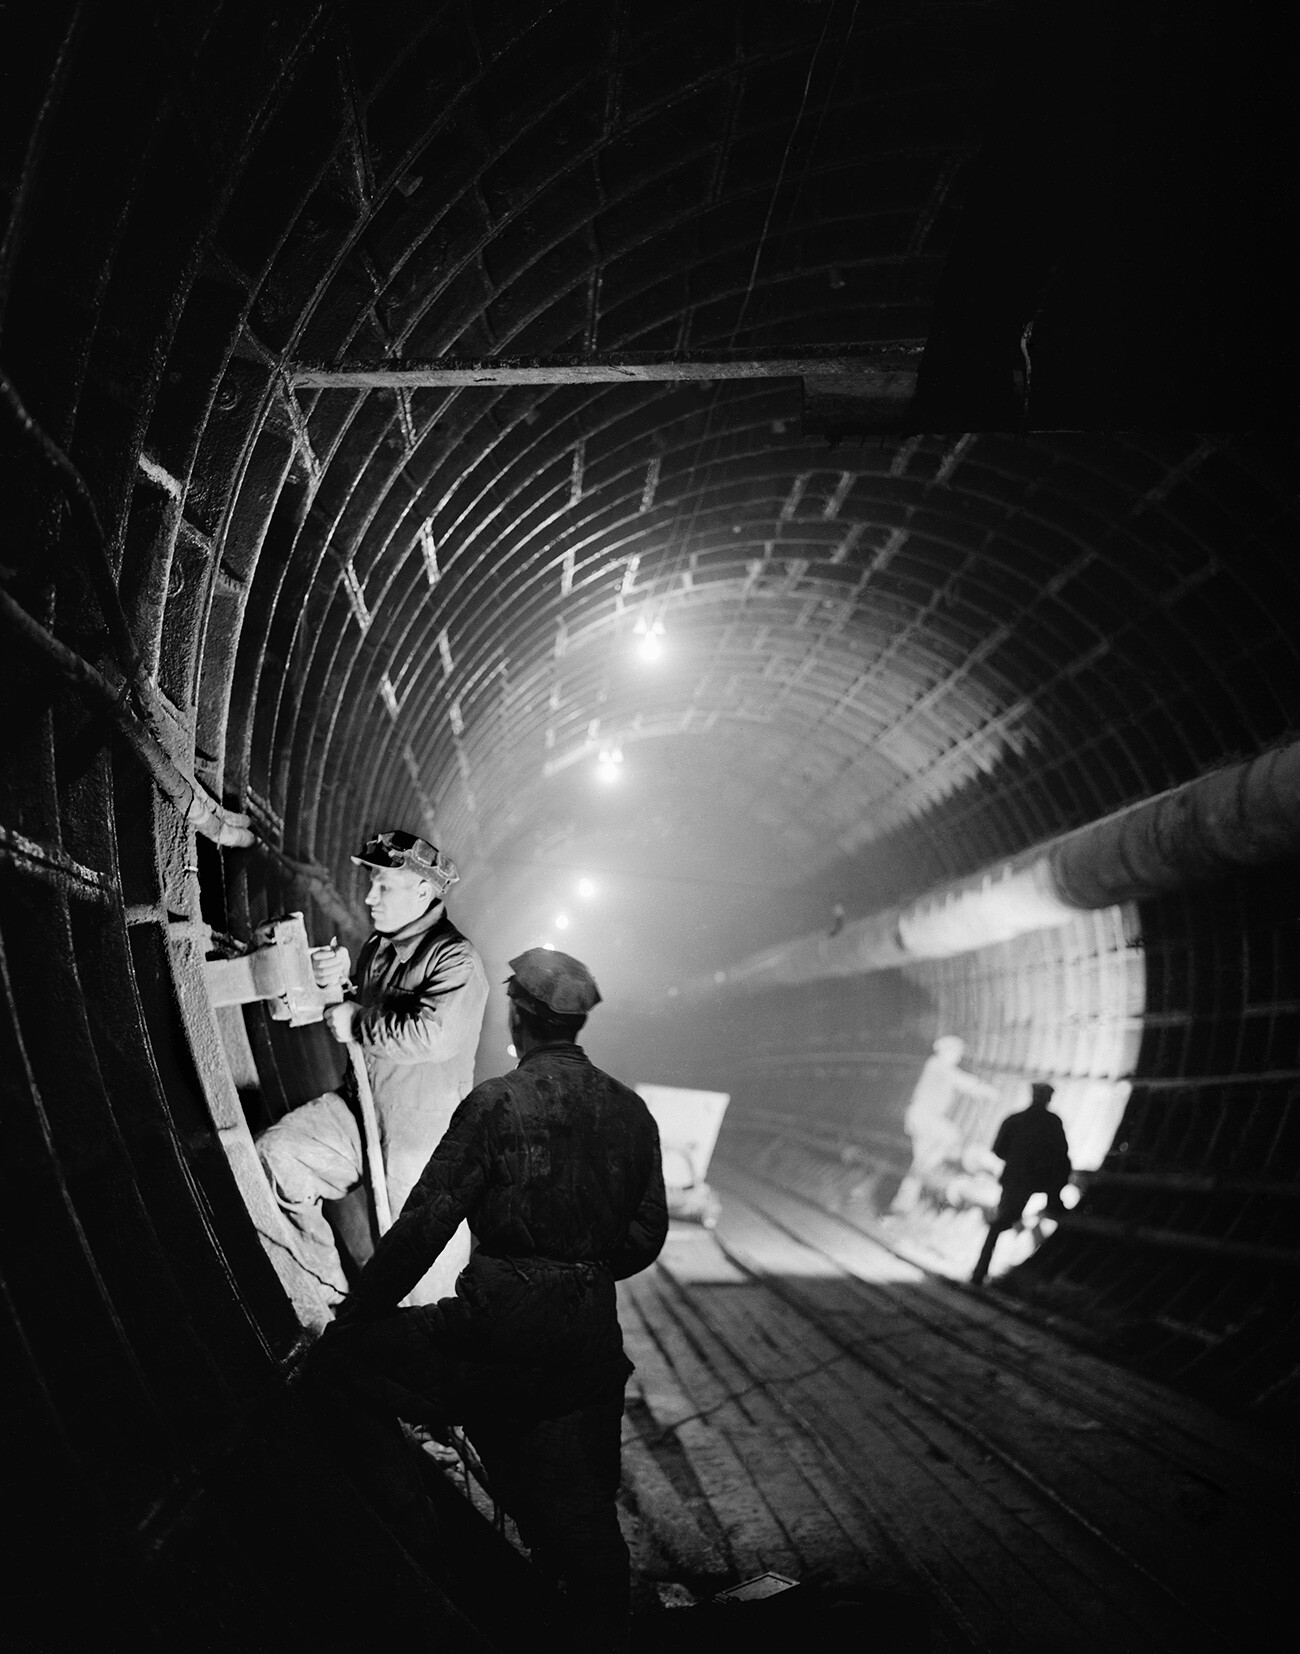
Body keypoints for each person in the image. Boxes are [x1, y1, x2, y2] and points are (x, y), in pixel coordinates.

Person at [300, 948, 667, 1652]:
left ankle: (425, 1566)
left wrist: (357, 1317)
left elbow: (424, 1225)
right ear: (576, 1024)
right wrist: (576, 1272)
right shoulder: (631, 1111)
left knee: (339, 1376)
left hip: (491, 1331)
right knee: (583, 1528)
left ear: (518, 1018)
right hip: (586, 1344)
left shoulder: (496, 1102)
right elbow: (645, 1234)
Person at [257, 829, 489, 1309]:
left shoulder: (457, 959)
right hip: (360, 1111)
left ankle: (423, 1372)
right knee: (282, 1157)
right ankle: (329, 1298)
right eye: (371, 883)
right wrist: (339, 980)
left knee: (423, 1288)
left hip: (423, 1141)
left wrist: (357, 1019)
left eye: (383, 885)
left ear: (423, 891)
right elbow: (359, 1011)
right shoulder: (378, 948)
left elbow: (432, 1036)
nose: (369, 896)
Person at [971, 1081, 1072, 1285]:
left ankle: (979, 1272)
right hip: (1042, 1182)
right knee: (1017, 1219)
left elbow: (998, 1149)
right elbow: (1062, 1154)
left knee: (1002, 1221)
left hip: (1015, 1179)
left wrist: (1017, 1160)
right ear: (1049, 1098)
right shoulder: (1053, 1122)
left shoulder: (1015, 1119)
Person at [892, 1034, 998, 1213]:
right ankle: (977, 1167)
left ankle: (901, 1205)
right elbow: (962, 1081)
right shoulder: (937, 1065)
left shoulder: (938, 1066)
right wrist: (988, 1091)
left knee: (922, 1163)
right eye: (956, 1052)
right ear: (946, 1052)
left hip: (921, 1118)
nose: (958, 1056)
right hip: (924, 1117)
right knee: (952, 1136)